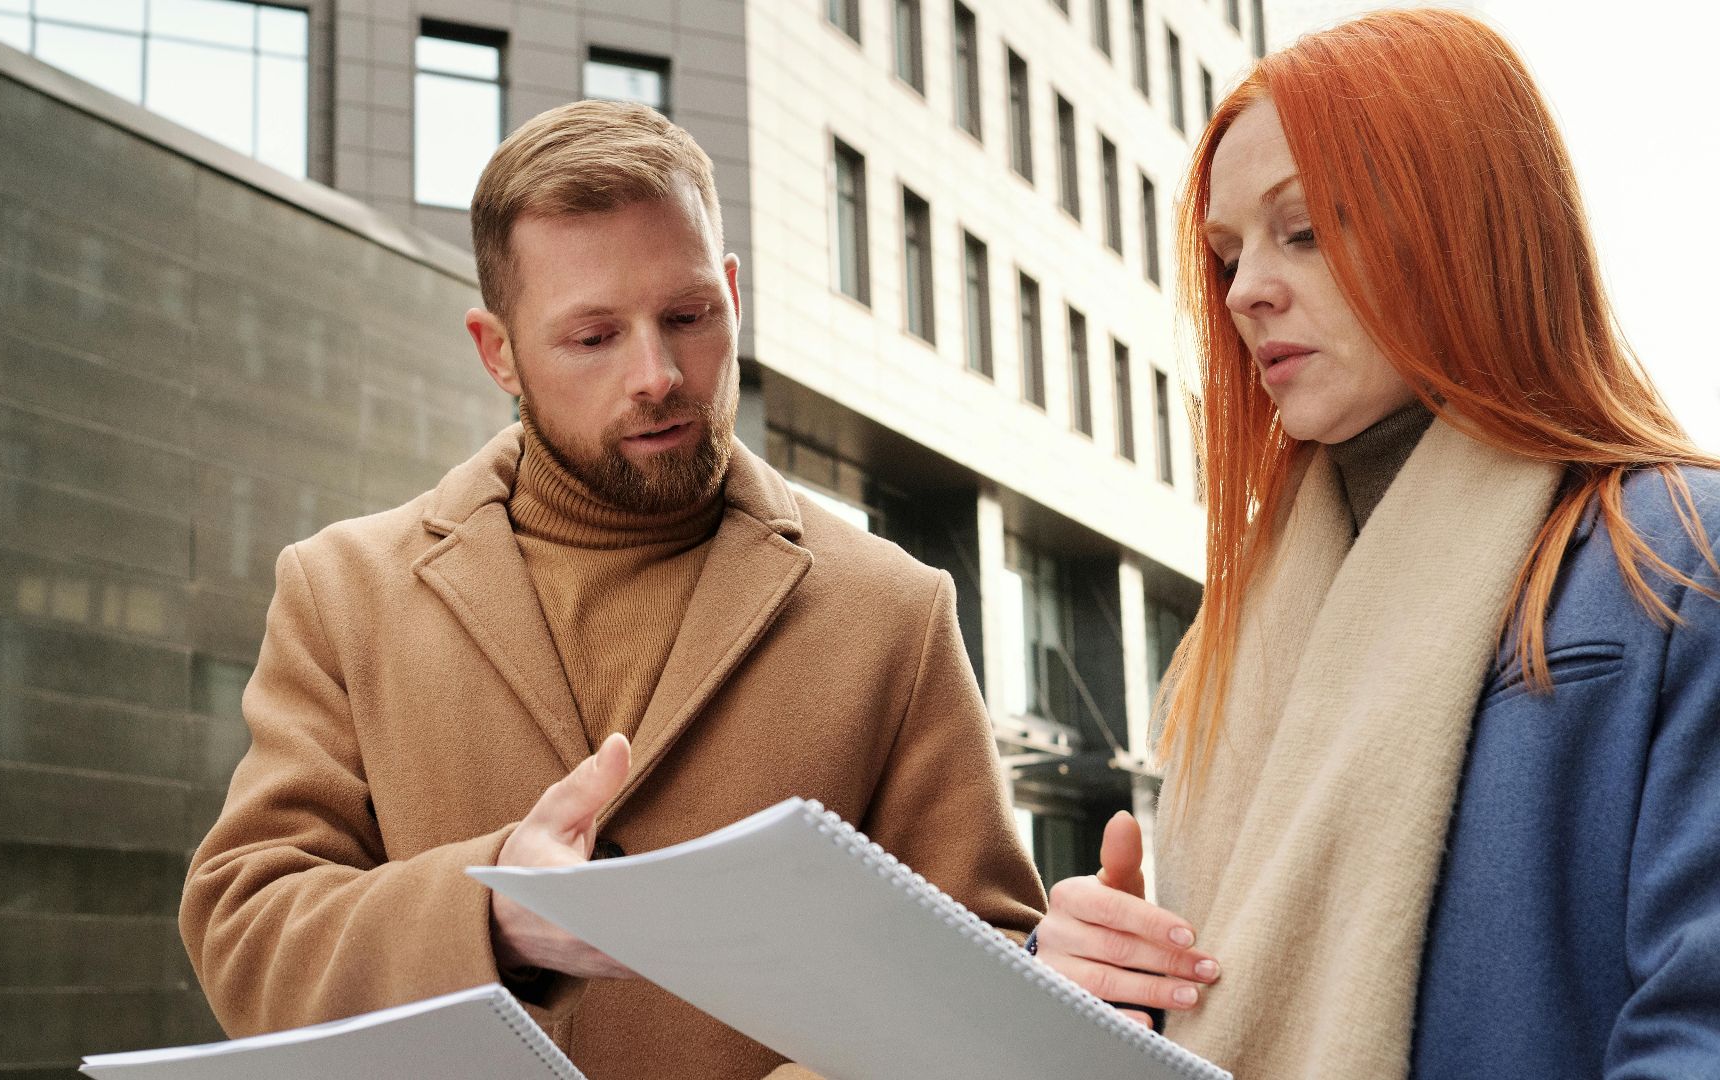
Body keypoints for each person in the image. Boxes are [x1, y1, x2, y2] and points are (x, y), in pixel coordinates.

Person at [177, 100, 1045, 1080]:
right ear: (497, 351)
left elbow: (990, 972)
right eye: (593, 337)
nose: (658, 374)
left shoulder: (897, 610)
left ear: (731, 293)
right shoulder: (340, 592)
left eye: (688, 317)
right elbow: (248, 928)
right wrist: (494, 917)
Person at [1027, 9, 1720, 1079]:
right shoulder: (1239, 637)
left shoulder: (1674, 558)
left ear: (1469, 225)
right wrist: (1093, 984)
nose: (1245, 289)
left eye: (1303, 230)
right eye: (1228, 254)